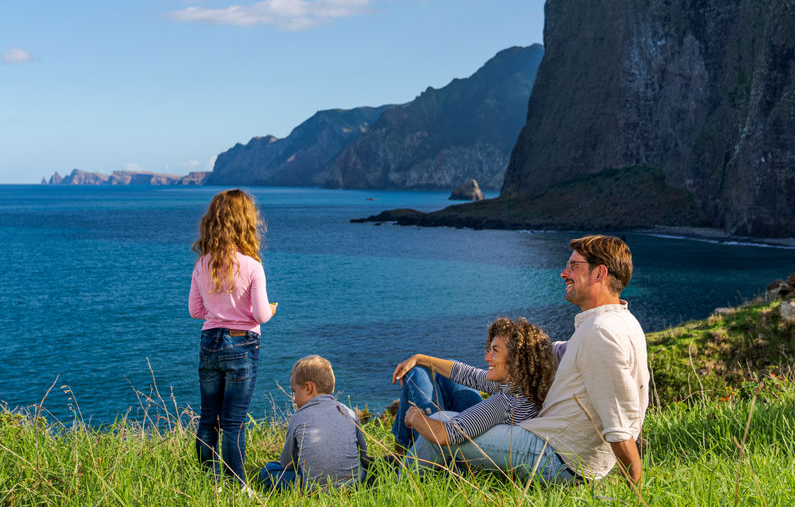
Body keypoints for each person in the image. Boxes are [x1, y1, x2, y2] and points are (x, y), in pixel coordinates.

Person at [419, 235, 650, 486]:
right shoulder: (621, 322)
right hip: (569, 455)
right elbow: (554, 354)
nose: (564, 273)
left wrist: (635, 489)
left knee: (440, 423)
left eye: (574, 266)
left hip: (558, 457)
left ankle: (394, 482)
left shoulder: (600, 332)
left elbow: (617, 421)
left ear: (599, 273)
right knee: (452, 408)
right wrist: (511, 351)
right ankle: (442, 474)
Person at [188, 189, 277, 485]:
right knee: (233, 424)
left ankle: (204, 481)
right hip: (242, 343)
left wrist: (219, 310)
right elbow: (262, 315)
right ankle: (235, 486)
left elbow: (195, 310)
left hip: (209, 342)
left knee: (207, 420)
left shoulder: (202, 264)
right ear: (246, 223)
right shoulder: (252, 266)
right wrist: (269, 311)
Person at [392, 317, 558, 470]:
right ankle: (400, 454)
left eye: (495, 351)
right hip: (479, 438)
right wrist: (420, 357)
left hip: (459, 460)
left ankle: (401, 461)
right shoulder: (522, 387)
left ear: (515, 359)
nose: (487, 357)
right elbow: (466, 374)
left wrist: (414, 417)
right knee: (435, 368)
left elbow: (445, 435)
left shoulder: (505, 403)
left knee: (417, 374)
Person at [258, 355, 368, 490]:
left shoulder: (299, 416)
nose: (294, 399)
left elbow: (287, 463)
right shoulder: (348, 412)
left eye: (294, 391)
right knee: (361, 468)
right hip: (352, 485)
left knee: (268, 470)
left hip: (310, 488)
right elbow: (363, 453)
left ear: (308, 388)